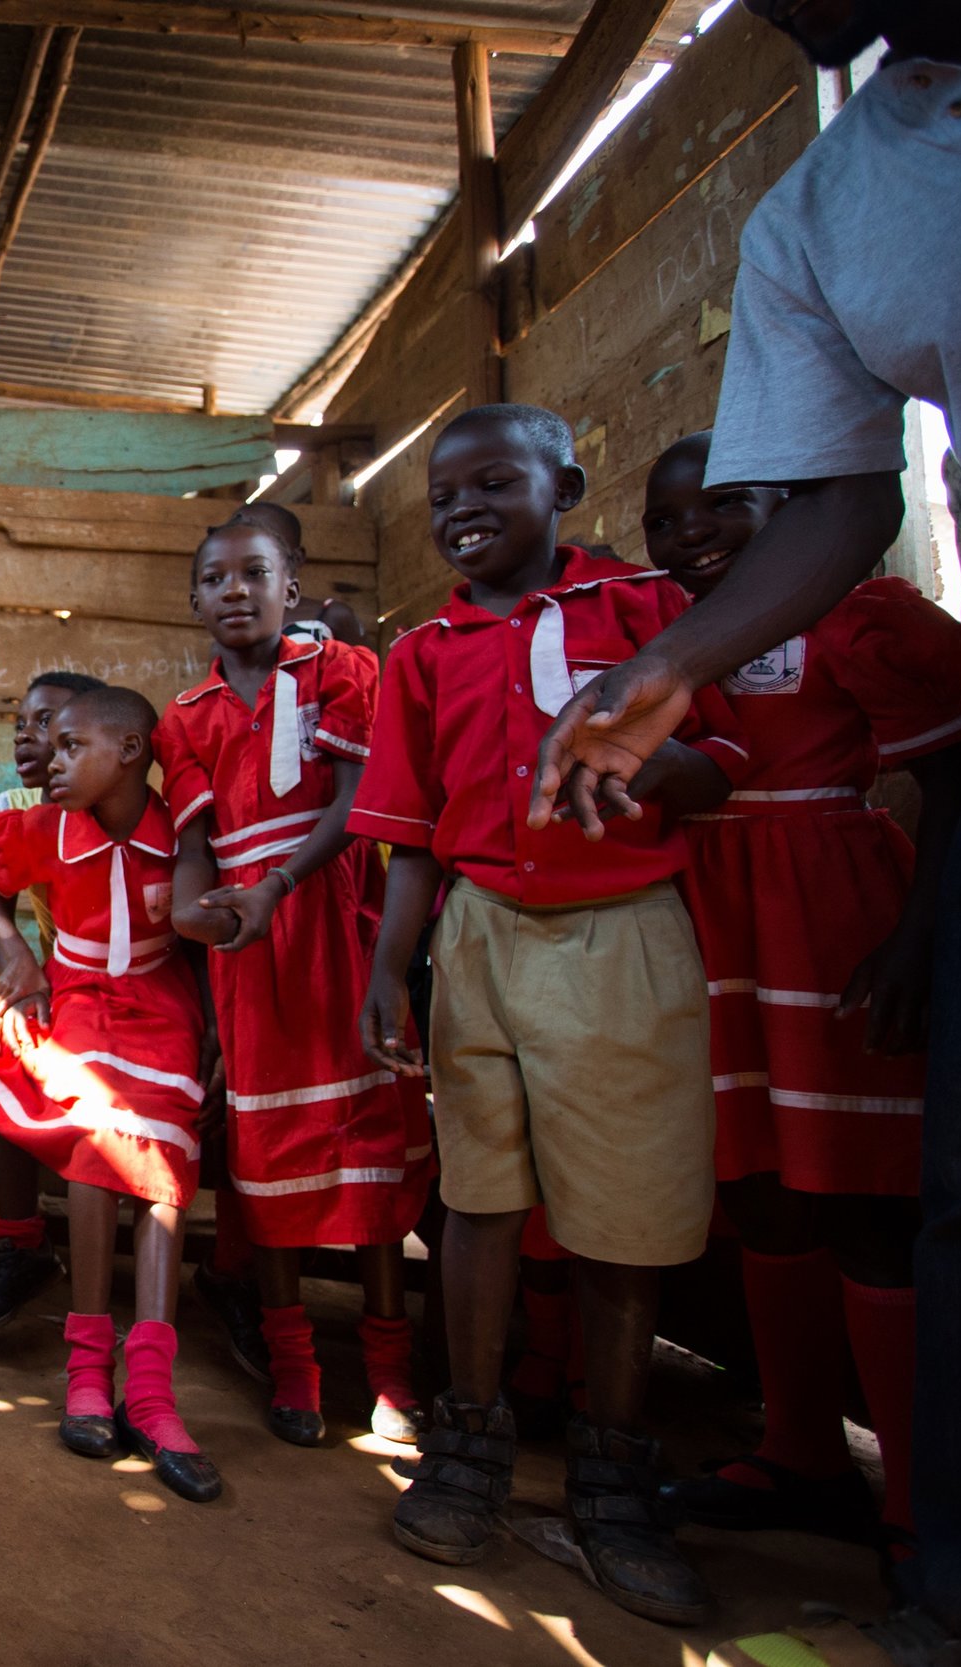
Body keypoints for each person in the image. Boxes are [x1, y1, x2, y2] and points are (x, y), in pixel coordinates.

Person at [531, 10, 961, 1659]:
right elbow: (837, 487)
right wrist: (668, 673)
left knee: (892, 1185)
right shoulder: (826, 204)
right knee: (918, 1190)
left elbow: (918, 758)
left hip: (839, 911)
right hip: (751, 929)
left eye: (703, 524)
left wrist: (918, 912)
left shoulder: (885, 633)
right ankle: (888, 1512)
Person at [352, 404, 742, 1627]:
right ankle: (466, 1444)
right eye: (441, 494)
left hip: (623, 929)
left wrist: (643, 757)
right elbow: (410, 839)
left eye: (492, 483)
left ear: (565, 484)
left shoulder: (643, 611)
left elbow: (719, 759)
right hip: (476, 932)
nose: (461, 508)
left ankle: (611, 1476)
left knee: (621, 1217)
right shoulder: (424, 653)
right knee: (477, 1198)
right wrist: (388, 968)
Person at [636, 434, 961, 1581]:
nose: (692, 535)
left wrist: (918, 935)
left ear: (796, 517)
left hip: (832, 923)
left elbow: (952, 782)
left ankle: (925, 1508)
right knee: (764, 1195)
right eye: (666, 519)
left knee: (867, 1200)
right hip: (714, 930)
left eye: (723, 508)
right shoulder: (669, 645)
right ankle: (800, 1454)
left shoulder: (855, 615)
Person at [158, 518, 432, 1449]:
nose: (234, 590)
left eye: (254, 573)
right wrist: (195, 918)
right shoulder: (185, 716)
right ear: (192, 600)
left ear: (294, 585)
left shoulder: (344, 672)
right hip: (250, 948)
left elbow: (361, 804)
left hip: (336, 920)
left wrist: (278, 884)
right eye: (214, 578)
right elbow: (195, 849)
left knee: (369, 1151)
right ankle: (295, 1363)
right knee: (268, 1157)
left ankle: (391, 1372)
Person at [0, 685, 220, 1503]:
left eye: (72, 746)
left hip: (160, 1008)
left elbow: (206, 945)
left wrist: (218, 1029)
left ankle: (150, 1390)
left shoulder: (178, 832)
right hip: (74, 1003)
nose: (52, 758)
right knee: (93, 1142)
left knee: (162, 1165)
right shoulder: (44, 829)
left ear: (132, 754)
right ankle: (86, 1368)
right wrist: (12, 950)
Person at [0, 669, 102, 1341]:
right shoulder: (13, 807)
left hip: (132, 992)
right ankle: (20, 1243)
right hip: (57, 983)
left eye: (52, 724)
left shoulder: (122, 805)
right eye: (23, 724)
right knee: (2, 1045)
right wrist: (12, 957)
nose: (30, 736)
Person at [226, 501, 367, 647]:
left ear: (297, 558)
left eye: (266, 547)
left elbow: (366, 667)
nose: (251, 554)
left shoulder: (332, 616)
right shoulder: (232, 622)